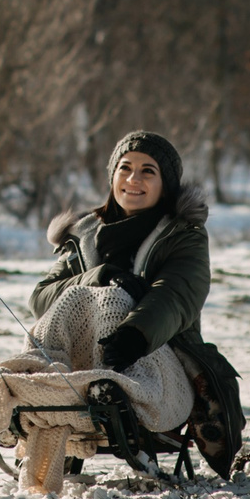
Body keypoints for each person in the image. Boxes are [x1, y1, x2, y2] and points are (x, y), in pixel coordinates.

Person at [29, 131, 211, 381]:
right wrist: (100, 275)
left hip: (159, 355)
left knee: (117, 299)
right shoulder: (83, 234)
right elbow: (40, 299)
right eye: (125, 168)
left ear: (166, 185)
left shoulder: (182, 235)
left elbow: (175, 295)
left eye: (148, 171)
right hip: (78, 357)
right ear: (113, 176)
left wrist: (135, 336)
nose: (134, 178)